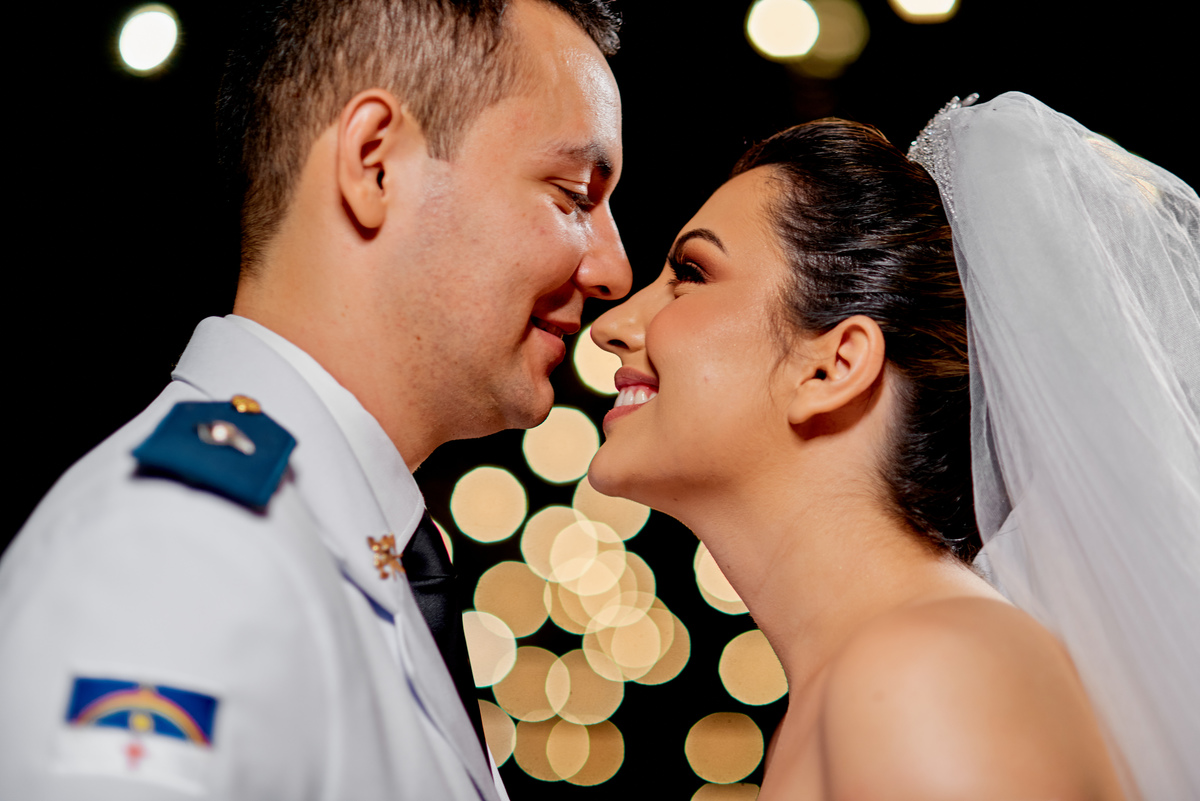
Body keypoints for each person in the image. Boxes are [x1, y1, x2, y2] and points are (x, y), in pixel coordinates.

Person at [0, 0, 630, 798]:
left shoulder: (324, 540)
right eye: (574, 194)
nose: (614, 269)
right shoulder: (176, 555)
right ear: (375, 164)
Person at [589, 92, 1199, 799]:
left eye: (689, 275)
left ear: (833, 366)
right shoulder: (866, 681)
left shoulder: (924, 672)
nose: (614, 325)